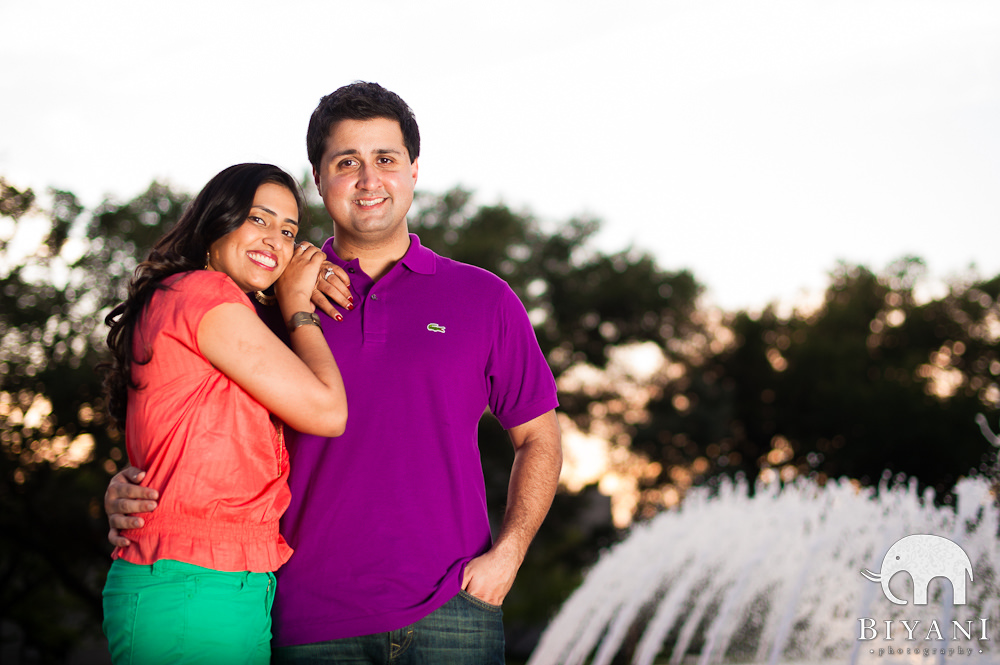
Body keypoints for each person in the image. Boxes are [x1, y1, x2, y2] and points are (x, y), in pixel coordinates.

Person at [106, 83, 563, 664]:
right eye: (347, 163)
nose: (369, 180)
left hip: (455, 610)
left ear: (415, 171)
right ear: (319, 181)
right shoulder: (262, 303)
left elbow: (539, 436)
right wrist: (133, 486)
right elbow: (192, 416)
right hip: (307, 617)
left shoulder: (485, 298)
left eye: (386, 160)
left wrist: (510, 553)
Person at [99, 163, 349, 664]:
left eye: (289, 231)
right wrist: (299, 306)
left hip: (220, 583)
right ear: (218, 220)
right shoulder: (201, 293)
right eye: (258, 219)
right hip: (191, 584)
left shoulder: (200, 300)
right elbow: (326, 411)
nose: (274, 240)